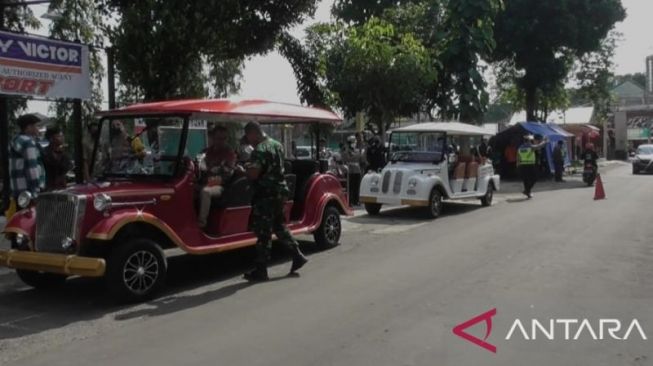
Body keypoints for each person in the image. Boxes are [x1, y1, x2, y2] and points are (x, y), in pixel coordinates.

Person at [243, 121, 307, 281]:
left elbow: (254, 174)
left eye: (248, 137)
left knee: (263, 232)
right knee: (279, 225)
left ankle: (261, 269)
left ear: (253, 133)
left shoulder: (259, 150)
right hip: (280, 192)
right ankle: (297, 254)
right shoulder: (277, 145)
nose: (249, 141)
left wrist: (245, 169)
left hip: (266, 194)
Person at [198, 126, 237, 229]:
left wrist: (219, 169)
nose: (222, 141)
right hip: (205, 180)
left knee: (205, 192)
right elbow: (199, 163)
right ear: (213, 138)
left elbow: (230, 172)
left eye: (224, 138)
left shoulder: (229, 152)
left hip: (221, 185)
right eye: (219, 138)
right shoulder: (207, 151)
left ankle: (202, 223)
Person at [9, 114, 45, 200]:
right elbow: (32, 169)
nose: (38, 129)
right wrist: (35, 190)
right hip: (28, 193)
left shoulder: (16, 140)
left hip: (17, 190)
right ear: (29, 127)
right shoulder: (28, 143)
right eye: (36, 126)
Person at [517, 134, 548, 199]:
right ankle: (527, 190)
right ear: (528, 141)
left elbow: (518, 157)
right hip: (530, 165)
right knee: (535, 178)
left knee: (526, 180)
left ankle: (528, 193)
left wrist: (518, 165)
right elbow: (539, 146)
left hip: (522, 165)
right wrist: (544, 141)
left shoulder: (520, 147)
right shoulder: (530, 146)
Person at [42, 125, 73, 191]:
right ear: (51, 138)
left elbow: (69, 167)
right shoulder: (45, 152)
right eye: (59, 136)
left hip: (62, 187)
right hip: (48, 188)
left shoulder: (63, 153)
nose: (62, 138)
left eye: (62, 136)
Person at [342, 135, 363, 205]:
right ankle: (350, 201)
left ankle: (356, 200)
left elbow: (360, 159)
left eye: (355, 142)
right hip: (350, 171)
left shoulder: (357, 150)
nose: (354, 143)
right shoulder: (346, 151)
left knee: (356, 186)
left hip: (357, 170)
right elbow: (345, 158)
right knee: (350, 187)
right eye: (353, 142)